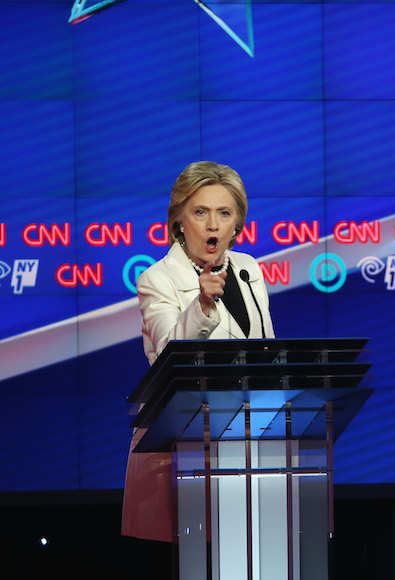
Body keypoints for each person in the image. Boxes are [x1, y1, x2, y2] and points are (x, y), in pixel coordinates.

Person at [122, 161, 275, 542]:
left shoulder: (248, 269)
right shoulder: (157, 278)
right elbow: (167, 355)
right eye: (200, 212)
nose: (212, 225)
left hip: (248, 440)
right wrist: (203, 306)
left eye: (224, 213)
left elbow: (266, 351)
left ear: (236, 225)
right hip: (185, 443)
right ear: (179, 221)